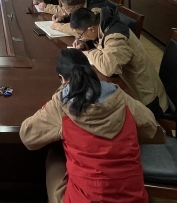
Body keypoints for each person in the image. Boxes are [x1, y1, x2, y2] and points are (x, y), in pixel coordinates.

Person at [20, 48, 156, 203]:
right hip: (134, 199)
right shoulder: (120, 97)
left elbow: (28, 136)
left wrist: (59, 94)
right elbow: (150, 128)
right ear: (90, 70)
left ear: (62, 78)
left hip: (84, 199)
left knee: (54, 152)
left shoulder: (61, 105)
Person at [69, 7, 168, 119]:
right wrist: (84, 43)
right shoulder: (100, 21)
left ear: (91, 29)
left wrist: (88, 53)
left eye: (80, 35)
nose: (81, 37)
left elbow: (109, 68)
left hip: (146, 99)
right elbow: (101, 44)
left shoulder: (116, 37)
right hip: (130, 87)